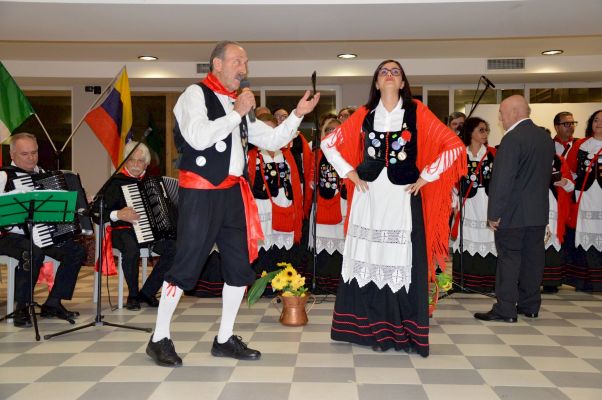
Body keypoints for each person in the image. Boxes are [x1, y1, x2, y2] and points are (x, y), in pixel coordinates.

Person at [146, 40, 319, 367]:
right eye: (238, 61)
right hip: (200, 191)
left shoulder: (237, 103)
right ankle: (159, 338)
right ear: (217, 64)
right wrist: (235, 112)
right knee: (185, 266)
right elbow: (197, 137)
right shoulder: (194, 95)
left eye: (246, 62)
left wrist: (298, 114)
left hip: (232, 194)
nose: (245, 68)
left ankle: (224, 338)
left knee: (239, 269)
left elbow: (272, 140)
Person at [321, 60, 465, 357]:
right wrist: (348, 171)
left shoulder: (417, 112)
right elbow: (329, 144)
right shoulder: (364, 113)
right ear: (376, 83)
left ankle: (400, 330)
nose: (389, 75)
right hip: (369, 196)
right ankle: (362, 329)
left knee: (399, 262)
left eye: (395, 72)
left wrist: (427, 176)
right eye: (383, 72)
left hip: (401, 197)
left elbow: (454, 146)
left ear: (402, 83)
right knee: (368, 257)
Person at [474, 95, 554, 323]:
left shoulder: (512, 139)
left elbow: (502, 180)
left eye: (501, 112)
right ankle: (530, 305)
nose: (500, 117)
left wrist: (493, 214)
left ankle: (505, 309)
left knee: (509, 259)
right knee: (533, 261)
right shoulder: (544, 138)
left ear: (515, 112)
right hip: (538, 213)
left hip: (513, 213)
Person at [0, 133, 86, 327]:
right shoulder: (4, 176)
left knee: (77, 250)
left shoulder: (44, 174)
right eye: (25, 154)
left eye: (34, 152)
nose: (31, 158)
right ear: (12, 155)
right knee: (31, 252)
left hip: (41, 234)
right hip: (9, 236)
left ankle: (53, 302)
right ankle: (22, 307)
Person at [99, 141, 176, 310]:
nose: (135, 165)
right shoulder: (116, 182)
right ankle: (133, 294)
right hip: (123, 231)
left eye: (140, 161)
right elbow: (97, 213)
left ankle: (147, 292)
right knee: (131, 247)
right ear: (125, 161)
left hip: (152, 233)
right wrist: (118, 214)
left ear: (146, 164)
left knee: (174, 248)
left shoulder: (154, 182)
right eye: (131, 160)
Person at [248, 113, 304, 276]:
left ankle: (282, 282)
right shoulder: (251, 156)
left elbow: (295, 182)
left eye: (271, 130)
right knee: (263, 246)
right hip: (261, 207)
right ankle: (261, 284)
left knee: (281, 247)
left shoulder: (286, 154)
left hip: (284, 206)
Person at [451, 117, 497, 293]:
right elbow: (452, 180)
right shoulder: (461, 154)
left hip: (487, 201)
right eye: (481, 130)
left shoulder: (492, 154)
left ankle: (489, 283)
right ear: (470, 132)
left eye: (486, 130)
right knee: (467, 236)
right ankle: (465, 282)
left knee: (488, 238)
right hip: (468, 202)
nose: (485, 134)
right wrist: (455, 200)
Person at [564, 109, 602, 292]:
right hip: (585, 197)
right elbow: (569, 170)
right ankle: (585, 281)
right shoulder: (580, 145)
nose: (599, 123)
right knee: (584, 237)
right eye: (595, 119)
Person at [309, 117, 346, 293]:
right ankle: (323, 285)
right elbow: (310, 178)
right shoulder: (317, 153)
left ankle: (340, 285)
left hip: (345, 205)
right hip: (323, 204)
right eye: (329, 129)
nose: (333, 133)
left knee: (343, 247)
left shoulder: (351, 151)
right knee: (323, 248)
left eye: (336, 130)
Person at [541, 152, 574, 293]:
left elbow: (571, 186)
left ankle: (551, 282)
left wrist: (564, 182)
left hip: (554, 206)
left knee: (552, 240)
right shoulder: (527, 156)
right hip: (534, 205)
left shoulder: (559, 161)